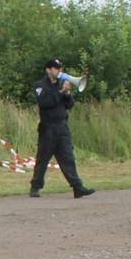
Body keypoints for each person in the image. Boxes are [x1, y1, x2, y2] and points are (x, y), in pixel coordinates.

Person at [29, 58, 95, 199]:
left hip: (62, 127)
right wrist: (60, 92)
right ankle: (35, 187)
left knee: (68, 157)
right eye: (55, 68)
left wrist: (67, 93)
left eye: (59, 68)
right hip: (48, 128)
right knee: (43, 158)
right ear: (48, 70)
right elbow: (45, 103)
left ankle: (78, 187)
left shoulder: (61, 84)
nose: (59, 70)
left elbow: (70, 105)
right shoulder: (40, 86)